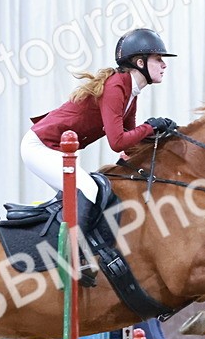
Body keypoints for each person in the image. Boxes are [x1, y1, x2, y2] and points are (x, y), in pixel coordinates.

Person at [22, 28, 178, 228]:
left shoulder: (131, 91)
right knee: (88, 190)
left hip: (59, 149)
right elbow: (117, 142)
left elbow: (129, 147)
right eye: (158, 59)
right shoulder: (116, 87)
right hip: (40, 147)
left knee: (90, 193)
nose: (164, 64)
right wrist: (149, 127)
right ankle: (77, 253)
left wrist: (159, 135)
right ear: (140, 62)